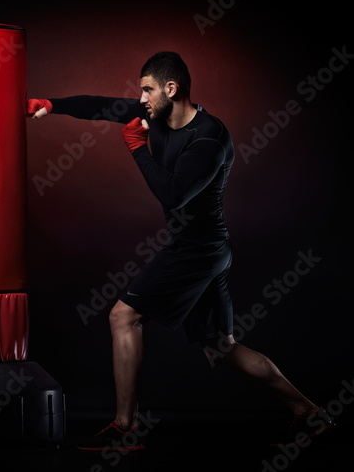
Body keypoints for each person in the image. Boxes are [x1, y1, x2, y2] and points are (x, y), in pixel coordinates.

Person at [27, 52, 335, 451]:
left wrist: (138, 149)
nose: (142, 97)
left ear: (171, 89)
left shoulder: (209, 137)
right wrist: (51, 105)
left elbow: (174, 194)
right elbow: (101, 106)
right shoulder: (154, 114)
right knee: (220, 346)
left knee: (123, 317)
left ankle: (126, 429)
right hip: (205, 248)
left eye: (148, 89)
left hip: (198, 249)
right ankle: (309, 413)